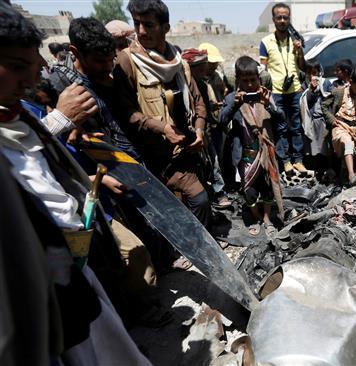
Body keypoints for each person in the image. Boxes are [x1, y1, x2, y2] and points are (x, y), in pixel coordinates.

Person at [0, 5, 150, 364]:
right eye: (17, 67)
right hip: (33, 280)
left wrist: (87, 176)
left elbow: (46, 163)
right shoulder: (55, 95)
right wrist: (62, 118)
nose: (30, 76)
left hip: (74, 249)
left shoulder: (18, 112)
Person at [113, 0, 211, 229]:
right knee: (198, 198)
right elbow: (126, 112)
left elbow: (198, 102)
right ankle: (197, 248)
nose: (141, 31)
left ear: (165, 28)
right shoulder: (127, 61)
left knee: (190, 201)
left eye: (148, 24)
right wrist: (163, 128)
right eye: (137, 24)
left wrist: (199, 129)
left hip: (188, 148)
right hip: (157, 155)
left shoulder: (178, 60)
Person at [48, 17, 140, 160]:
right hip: (109, 166)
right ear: (76, 52)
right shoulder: (59, 84)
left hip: (137, 154)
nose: (108, 66)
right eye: (100, 61)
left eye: (111, 59)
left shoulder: (114, 74)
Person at [219, 56, 284, 236]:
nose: (249, 85)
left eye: (253, 80)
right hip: (245, 155)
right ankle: (254, 216)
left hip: (266, 153)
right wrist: (234, 105)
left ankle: (267, 218)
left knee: (268, 188)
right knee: (249, 191)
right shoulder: (232, 98)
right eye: (245, 81)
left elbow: (282, 122)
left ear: (259, 79)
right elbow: (222, 120)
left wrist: (268, 106)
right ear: (238, 81)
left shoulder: (267, 96)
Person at [259, 2, 307, 175]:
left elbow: (302, 66)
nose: (282, 20)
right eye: (278, 17)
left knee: (295, 126)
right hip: (276, 92)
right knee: (280, 128)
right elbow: (262, 69)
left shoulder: (295, 41)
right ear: (273, 19)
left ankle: (298, 160)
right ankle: (285, 161)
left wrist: (299, 50)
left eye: (285, 17)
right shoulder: (266, 42)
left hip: (294, 90)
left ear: (289, 19)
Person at [182, 48, 231, 209]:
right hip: (187, 134)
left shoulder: (202, 85)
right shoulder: (181, 85)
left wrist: (208, 127)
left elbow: (204, 110)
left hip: (204, 131)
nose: (204, 71)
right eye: (200, 69)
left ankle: (219, 193)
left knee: (213, 162)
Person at [322, 68, 356, 183]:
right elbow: (324, 105)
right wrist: (331, 119)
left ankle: (345, 180)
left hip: (352, 129)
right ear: (351, 82)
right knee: (347, 143)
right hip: (340, 126)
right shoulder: (339, 92)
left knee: (348, 152)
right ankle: (352, 175)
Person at [300, 59, 333, 165]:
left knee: (325, 146)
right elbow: (305, 103)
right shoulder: (305, 85)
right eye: (308, 73)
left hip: (323, 120)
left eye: (314, 73)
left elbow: (330, 97)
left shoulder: (325, 83)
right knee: (313, 147)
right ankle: (315, 167)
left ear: (319, 72)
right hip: (311, 121)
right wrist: (312, 91)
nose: (311, 76)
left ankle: (326, 168)